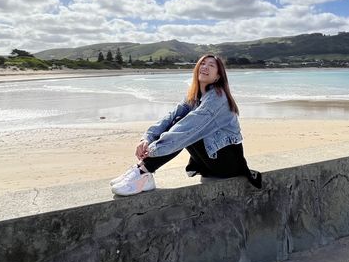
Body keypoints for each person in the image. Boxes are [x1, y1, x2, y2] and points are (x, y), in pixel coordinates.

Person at [111, 54, 262, 196]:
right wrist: (147, 139)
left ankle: (143, 171)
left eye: (211, 65)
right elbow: (169, 118)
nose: (205, 67)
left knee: (185, 128)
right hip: (209, 161)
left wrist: (150, 152)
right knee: (177, 119)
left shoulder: (218, 98)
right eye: (202, 63)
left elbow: (187, 129)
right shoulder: (194, 96)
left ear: (218, 76)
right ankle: (142, 171)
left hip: (227, 164)